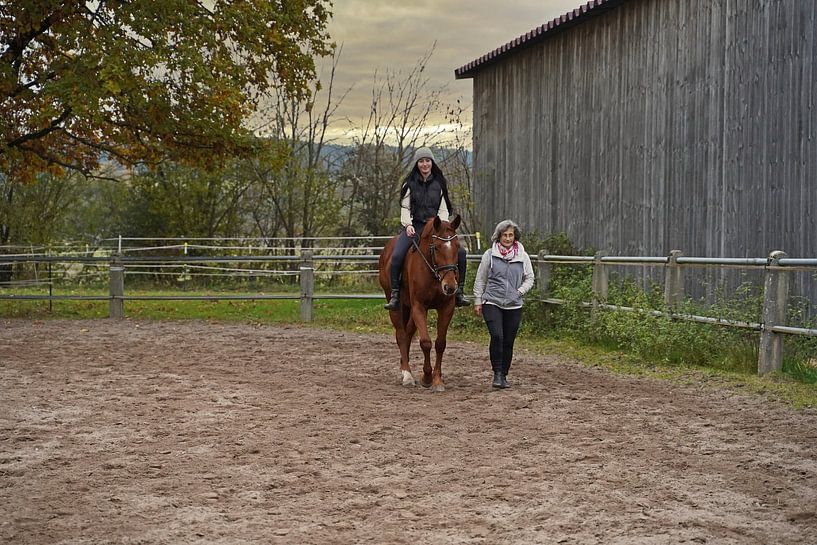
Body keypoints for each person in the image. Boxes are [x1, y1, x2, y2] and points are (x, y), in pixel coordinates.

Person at [384, 146, 470, 310]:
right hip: (415, 226)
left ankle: (459, 292)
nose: (424, 164)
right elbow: (405, 208)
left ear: (432, 162)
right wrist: (408, 225)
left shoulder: (439, 184)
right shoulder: (408, 184)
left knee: (461, 253)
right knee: (396, 255)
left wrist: (443, 226)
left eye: (427, 161)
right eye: (421, 161)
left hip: (436, 226)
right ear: (417, 164)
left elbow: (443, 209)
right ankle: (395, 294)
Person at [473, 219, 535, 388]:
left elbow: (530, 277)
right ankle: (497, 373)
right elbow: (481, 279)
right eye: (504, 235)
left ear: (515, 237)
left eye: (510, 235)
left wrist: (519, 291)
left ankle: (504, 374)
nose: (507, 238)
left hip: (514, 305)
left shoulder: (522, 256)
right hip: (492, 301)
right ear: (498, 236)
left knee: (508, 340)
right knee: (497, 336)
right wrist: (478, 300)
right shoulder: (489, 255)